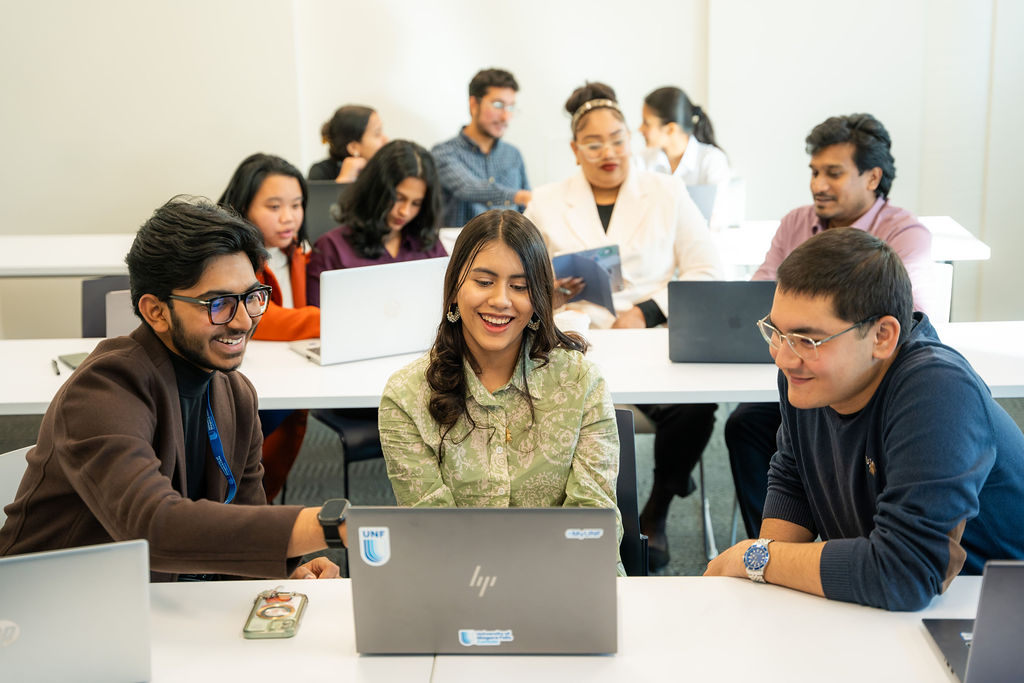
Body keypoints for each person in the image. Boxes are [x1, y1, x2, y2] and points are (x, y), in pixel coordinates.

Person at [0, 197, 353, 581]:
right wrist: (326, 525)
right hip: (48, 604)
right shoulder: (104, 389)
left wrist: (285, 573)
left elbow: (244, 513)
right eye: (218, 303)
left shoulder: (235, 393)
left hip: (156, 597)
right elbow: (153, 525)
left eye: (252, 297)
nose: (242, 321)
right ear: (156, 311)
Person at [706, 228, 1024, 611]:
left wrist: (755, 559)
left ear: (882, 336)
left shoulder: (937, 388)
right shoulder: (808, 374)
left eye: (808, 340)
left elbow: (905, 572)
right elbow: (795, 478)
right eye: (777, 332)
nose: (784, 357)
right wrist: (764, 580)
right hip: (891, 612)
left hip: (988, 618)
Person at [524, 81, 722, 571]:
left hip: (649, 339)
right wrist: (550, 294)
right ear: (575, 150)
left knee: (696, 407)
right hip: (575, 336)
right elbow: (518, 280)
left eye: (617, 139)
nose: (609, 152)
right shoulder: (548, 202)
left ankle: (655, 512)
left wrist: (649, 311)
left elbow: (707, 270)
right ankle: (578, 519)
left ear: (632, 138)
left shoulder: (666, 191)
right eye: (594, 144)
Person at [377, 210, 623, 571]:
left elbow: (592, 522)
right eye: (484, 281)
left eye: (520, 287)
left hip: (569, 579)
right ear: (455, 288)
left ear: (538, 299)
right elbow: (431, 531)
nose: (501, 301)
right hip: (459, 583)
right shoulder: (407, 396)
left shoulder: (580, 383)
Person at [726, 113, 935, 539]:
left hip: (869, 377)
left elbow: (894, 310)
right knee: (749, 427)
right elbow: (761, 290)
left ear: (873, 177)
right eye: (814, 171)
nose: (819, 184)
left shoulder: (904, 233)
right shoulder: (795, 223)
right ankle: (765, 537)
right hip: (823, 370)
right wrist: (767, 556)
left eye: (833, 173)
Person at [219, 153, 320, 501]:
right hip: (242, 379)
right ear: (242, 207)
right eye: (274, 206)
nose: (288, 217)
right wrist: (326, 320)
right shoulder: (234, 259)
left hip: (284, 374)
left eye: (296, 205)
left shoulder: (295, 253)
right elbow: (259, 317)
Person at [306, 139, 447, 306]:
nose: (405, 211)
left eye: (416, 203)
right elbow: (318, 320)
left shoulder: (428, 244)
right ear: (376, 191)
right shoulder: (332, 248)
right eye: (398, 198)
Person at [432, 68, 531, 227]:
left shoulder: (513, 155)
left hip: (509, 248)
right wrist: (518, 196)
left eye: (511, 107)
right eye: (498, 105)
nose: (506, 117)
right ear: (473, 104)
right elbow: (467, 188)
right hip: (459, 249)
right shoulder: (444, 153)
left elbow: (526, 211)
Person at [636, 86, 731, 228]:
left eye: (647, 123)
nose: (640, 129)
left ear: (671, 129)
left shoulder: (711, 160)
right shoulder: (642, 160)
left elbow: (717, 217)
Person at [308, 105, 388, 182]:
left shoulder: (386, 170)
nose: (385, 139)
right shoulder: (321, 172)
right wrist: (345, 178)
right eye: (377, 134)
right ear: (353, 147)